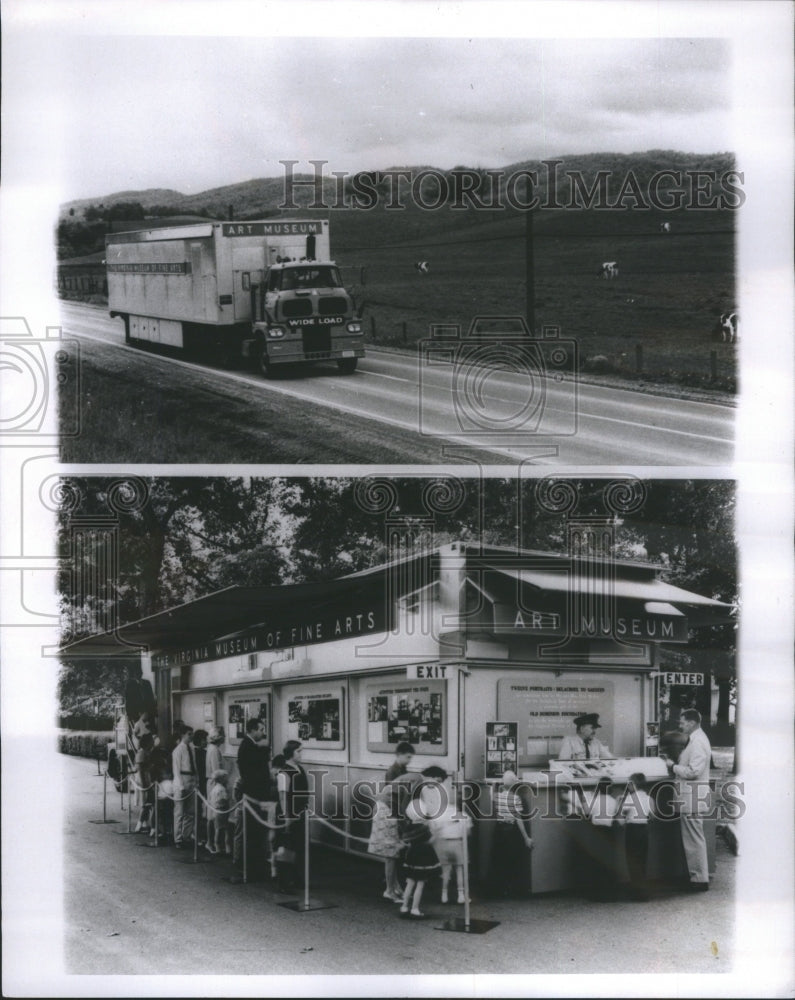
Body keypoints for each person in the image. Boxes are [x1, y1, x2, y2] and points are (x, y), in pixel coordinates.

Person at [662, 708, 712, 891]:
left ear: (691, 723)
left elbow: (693, 771)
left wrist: (672, 766)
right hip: (692, 796)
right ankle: (697, 877)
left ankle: (699, 880)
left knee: (693, 839)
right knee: (693, 838)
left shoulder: (698, 742)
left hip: (692, 796)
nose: (680, 726)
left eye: (682, 722)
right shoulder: (697, 739)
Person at [368, 742, 415, 901]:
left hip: (392, 810)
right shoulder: (393, 771)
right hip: (390, 811)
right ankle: (390, 888)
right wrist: (401, 818)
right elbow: (395, 796)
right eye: (407, 756)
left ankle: (395, 886)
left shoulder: (401, 770)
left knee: (394, 854)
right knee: (391, 853)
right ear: (399, 754)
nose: (409, 760)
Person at [398, 767, 446, 918]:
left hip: (412, 854)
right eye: (437, 781)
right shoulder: (424, 829)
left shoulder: (412, 827)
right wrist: (436, 832)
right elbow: (431, 839)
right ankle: (415, 908)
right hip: (423, 856)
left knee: (410, 881)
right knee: (420, 883)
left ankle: (404, 907)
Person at [234, 718, 272, 880]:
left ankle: (251, 864)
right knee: (251, 832)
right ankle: (248, 865)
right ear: (253, 730)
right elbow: (256, 772)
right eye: (261, 729)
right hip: (253, 795)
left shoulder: (250, 746)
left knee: (254, 831)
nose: (263, 733)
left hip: (255, 794)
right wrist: (265, 750)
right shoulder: (249, 747)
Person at [487, 770, 533, 898]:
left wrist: (496, 783)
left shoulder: (497, 796)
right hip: (511, 831)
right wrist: (526, 838)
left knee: (499, 860)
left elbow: (491, 792)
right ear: (514, 784)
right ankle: (513, 889)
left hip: (499, 830)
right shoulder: (516, 798)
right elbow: (518, 819)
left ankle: (499, 890)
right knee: (512, 860)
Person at [428, 780, 473, 904]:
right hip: (458, 843)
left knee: (446, 871)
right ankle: (461, 895)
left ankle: (444, 895)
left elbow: (432, 829)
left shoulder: (438, 814)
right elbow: (468, 833)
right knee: (460, 870)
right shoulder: (462, 814)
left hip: (443, 844)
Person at [276, 740, 310, 891]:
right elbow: (283, 796)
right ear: (290, 753)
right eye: (299, 751)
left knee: (298, 846)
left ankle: (297, 878)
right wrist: (286, 816)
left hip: (300, 812)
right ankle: (284, 882)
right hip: (289, 814)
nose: (301, 754)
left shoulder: (300, 768)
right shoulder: (284, 771)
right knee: (287, 848)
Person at [171, 725, 197, 848]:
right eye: (189, 734)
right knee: (179, 812)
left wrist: (196, 781)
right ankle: (178, 839)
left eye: (192, 734)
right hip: (181, 780)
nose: (191, 736)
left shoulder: (191, 749)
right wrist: (180, 786)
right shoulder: (177, 750)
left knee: (190, 811)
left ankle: (186, 836)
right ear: (183, 735)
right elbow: (176, 770)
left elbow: (194, 766)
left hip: (191, 780)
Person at [205, 727, 226, 849]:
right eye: (223, 735)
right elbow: (216, 771)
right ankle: (212, 842)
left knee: (212, 814)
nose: (225, 737)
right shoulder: (214, 750)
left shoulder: (212, 749)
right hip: (215, 783)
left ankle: (212, 842)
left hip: (213, 783)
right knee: (214, 814)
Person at [207, 769, 233, 855]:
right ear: (222, 779)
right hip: (222, 811)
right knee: (225, 830)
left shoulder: (214, 788)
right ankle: (227, 847)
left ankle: (217, 846)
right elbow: (224, 799)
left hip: (215, 811)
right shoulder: (222, 789)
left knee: (217, 829)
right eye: (226, 778)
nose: (227, 780)